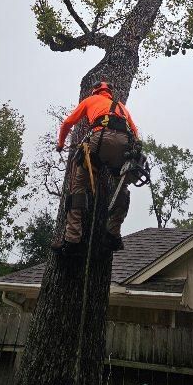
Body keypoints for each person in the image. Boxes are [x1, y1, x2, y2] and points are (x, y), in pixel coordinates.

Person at [53, 81, 139, 255]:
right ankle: (113, 234)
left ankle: (72, 239)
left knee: (78, 185)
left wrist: (61, 144)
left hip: (99, 140)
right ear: (109, 93)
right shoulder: (121, 107)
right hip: (124, 144)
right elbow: (135, 133)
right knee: (121, 186)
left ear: (95, 92)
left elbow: (67, 123)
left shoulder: (90, 100)